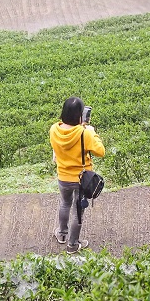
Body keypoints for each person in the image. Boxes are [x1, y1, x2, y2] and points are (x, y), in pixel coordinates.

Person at [50, 96, 105, 254]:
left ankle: (61, 234)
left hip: (63, 177)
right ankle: (73, 245)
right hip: (81, 179)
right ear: (80, 116)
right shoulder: (84, 133)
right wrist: (91, 132)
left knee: (64, 204)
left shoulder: (54, 129)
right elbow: (101, 152)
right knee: (78, 211)